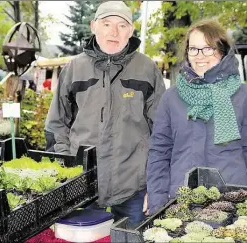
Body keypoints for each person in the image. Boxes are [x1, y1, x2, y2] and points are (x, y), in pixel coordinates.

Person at [45, 1, 166, 228]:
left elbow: (162, 131)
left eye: (122, 26)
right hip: (80, 185)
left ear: (130, 31)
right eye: (107, 23)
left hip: (133, 188)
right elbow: (56, 125)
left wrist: (156, 183)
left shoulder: (147, 69)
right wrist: (65, 170)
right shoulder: (73, 69)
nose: (114, 32)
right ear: (93, 26)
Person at [146, 19, 247, 214]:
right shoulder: (171, 97)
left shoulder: (244, 96)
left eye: (208, 48)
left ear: (222, 51)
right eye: (194, 49)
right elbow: (158, 154)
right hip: (181, 203)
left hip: (232, 202)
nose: (200, 56)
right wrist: (157, 204)